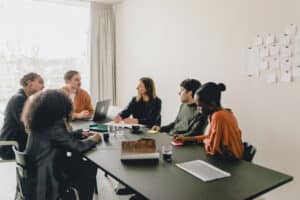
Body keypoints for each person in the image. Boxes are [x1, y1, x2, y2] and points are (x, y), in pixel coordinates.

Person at [22, 90, 101, 200]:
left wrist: (78, 133)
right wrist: (94, 139)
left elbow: (56, 137)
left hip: (36, 173)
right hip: (50, 175)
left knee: (79, 163)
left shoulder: (39, 121)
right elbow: (78, 147)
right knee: (88, 167)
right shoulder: (54, 125)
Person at [174, 82, 244, 160]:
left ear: (212, 104)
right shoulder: (225, 112)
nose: (198, 109)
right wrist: (186, 138)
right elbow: (210, 137)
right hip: (229, 157)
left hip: (229, 161)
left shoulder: (218, 116)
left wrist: (205, 141)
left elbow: (213, 149)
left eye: (199, 106)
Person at [0, 72, 44, 159]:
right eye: (40, 82)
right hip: (13, 147)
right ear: (29, 83)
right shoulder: (19, 99)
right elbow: (29, 126)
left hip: (22, 143)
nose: (43, 86)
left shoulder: (27, 99)